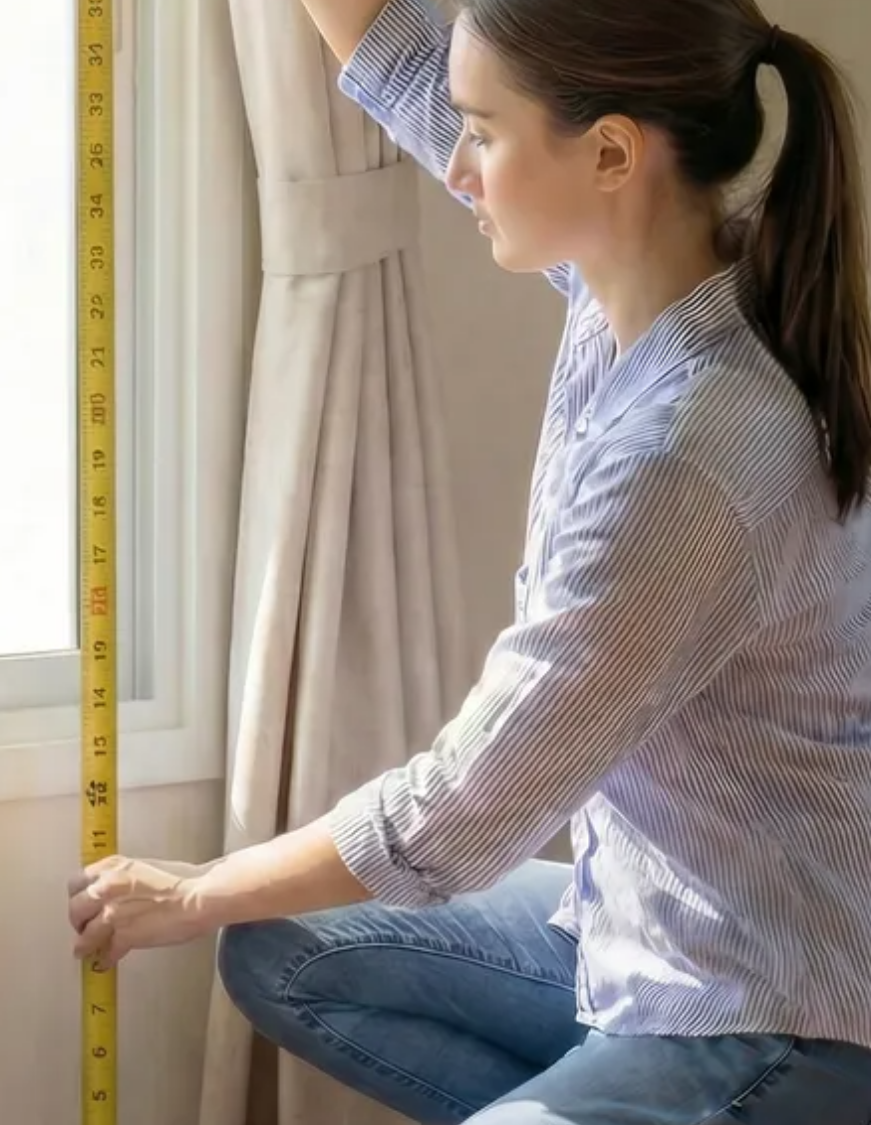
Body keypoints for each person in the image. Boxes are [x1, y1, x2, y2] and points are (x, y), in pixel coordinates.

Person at [64, 0, 871, 1121]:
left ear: (607, 154)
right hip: (640, 947)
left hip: (772, 1011)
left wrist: (195, 887)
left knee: (235, 908)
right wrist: (221, 906)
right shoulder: (637, 299)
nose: (455, 168)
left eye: (483, 135)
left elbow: (456, 812)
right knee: (279, 948)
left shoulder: (687, 456)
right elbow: (387, 48)